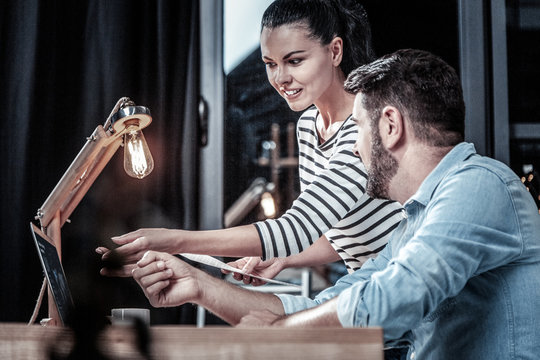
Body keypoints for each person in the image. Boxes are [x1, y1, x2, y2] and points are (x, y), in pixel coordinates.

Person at [130, 49, 540, 359]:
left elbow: (394, 300)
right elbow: (327, 307)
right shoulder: (415, 221)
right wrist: (201, 287)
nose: (354, 146)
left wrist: (282, 331)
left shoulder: (479, 184)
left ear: (391, 126)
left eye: (357, 128)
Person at [97, 0, 403, 282]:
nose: (280, 78)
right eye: (270, 64)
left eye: (294, 61)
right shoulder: (309, 126)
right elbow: (341, 236)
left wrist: (173, 239)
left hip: (412, 298)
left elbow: (297, 227)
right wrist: (281, 258)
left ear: (335, 51)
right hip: (376, 293)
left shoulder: (364, 128)